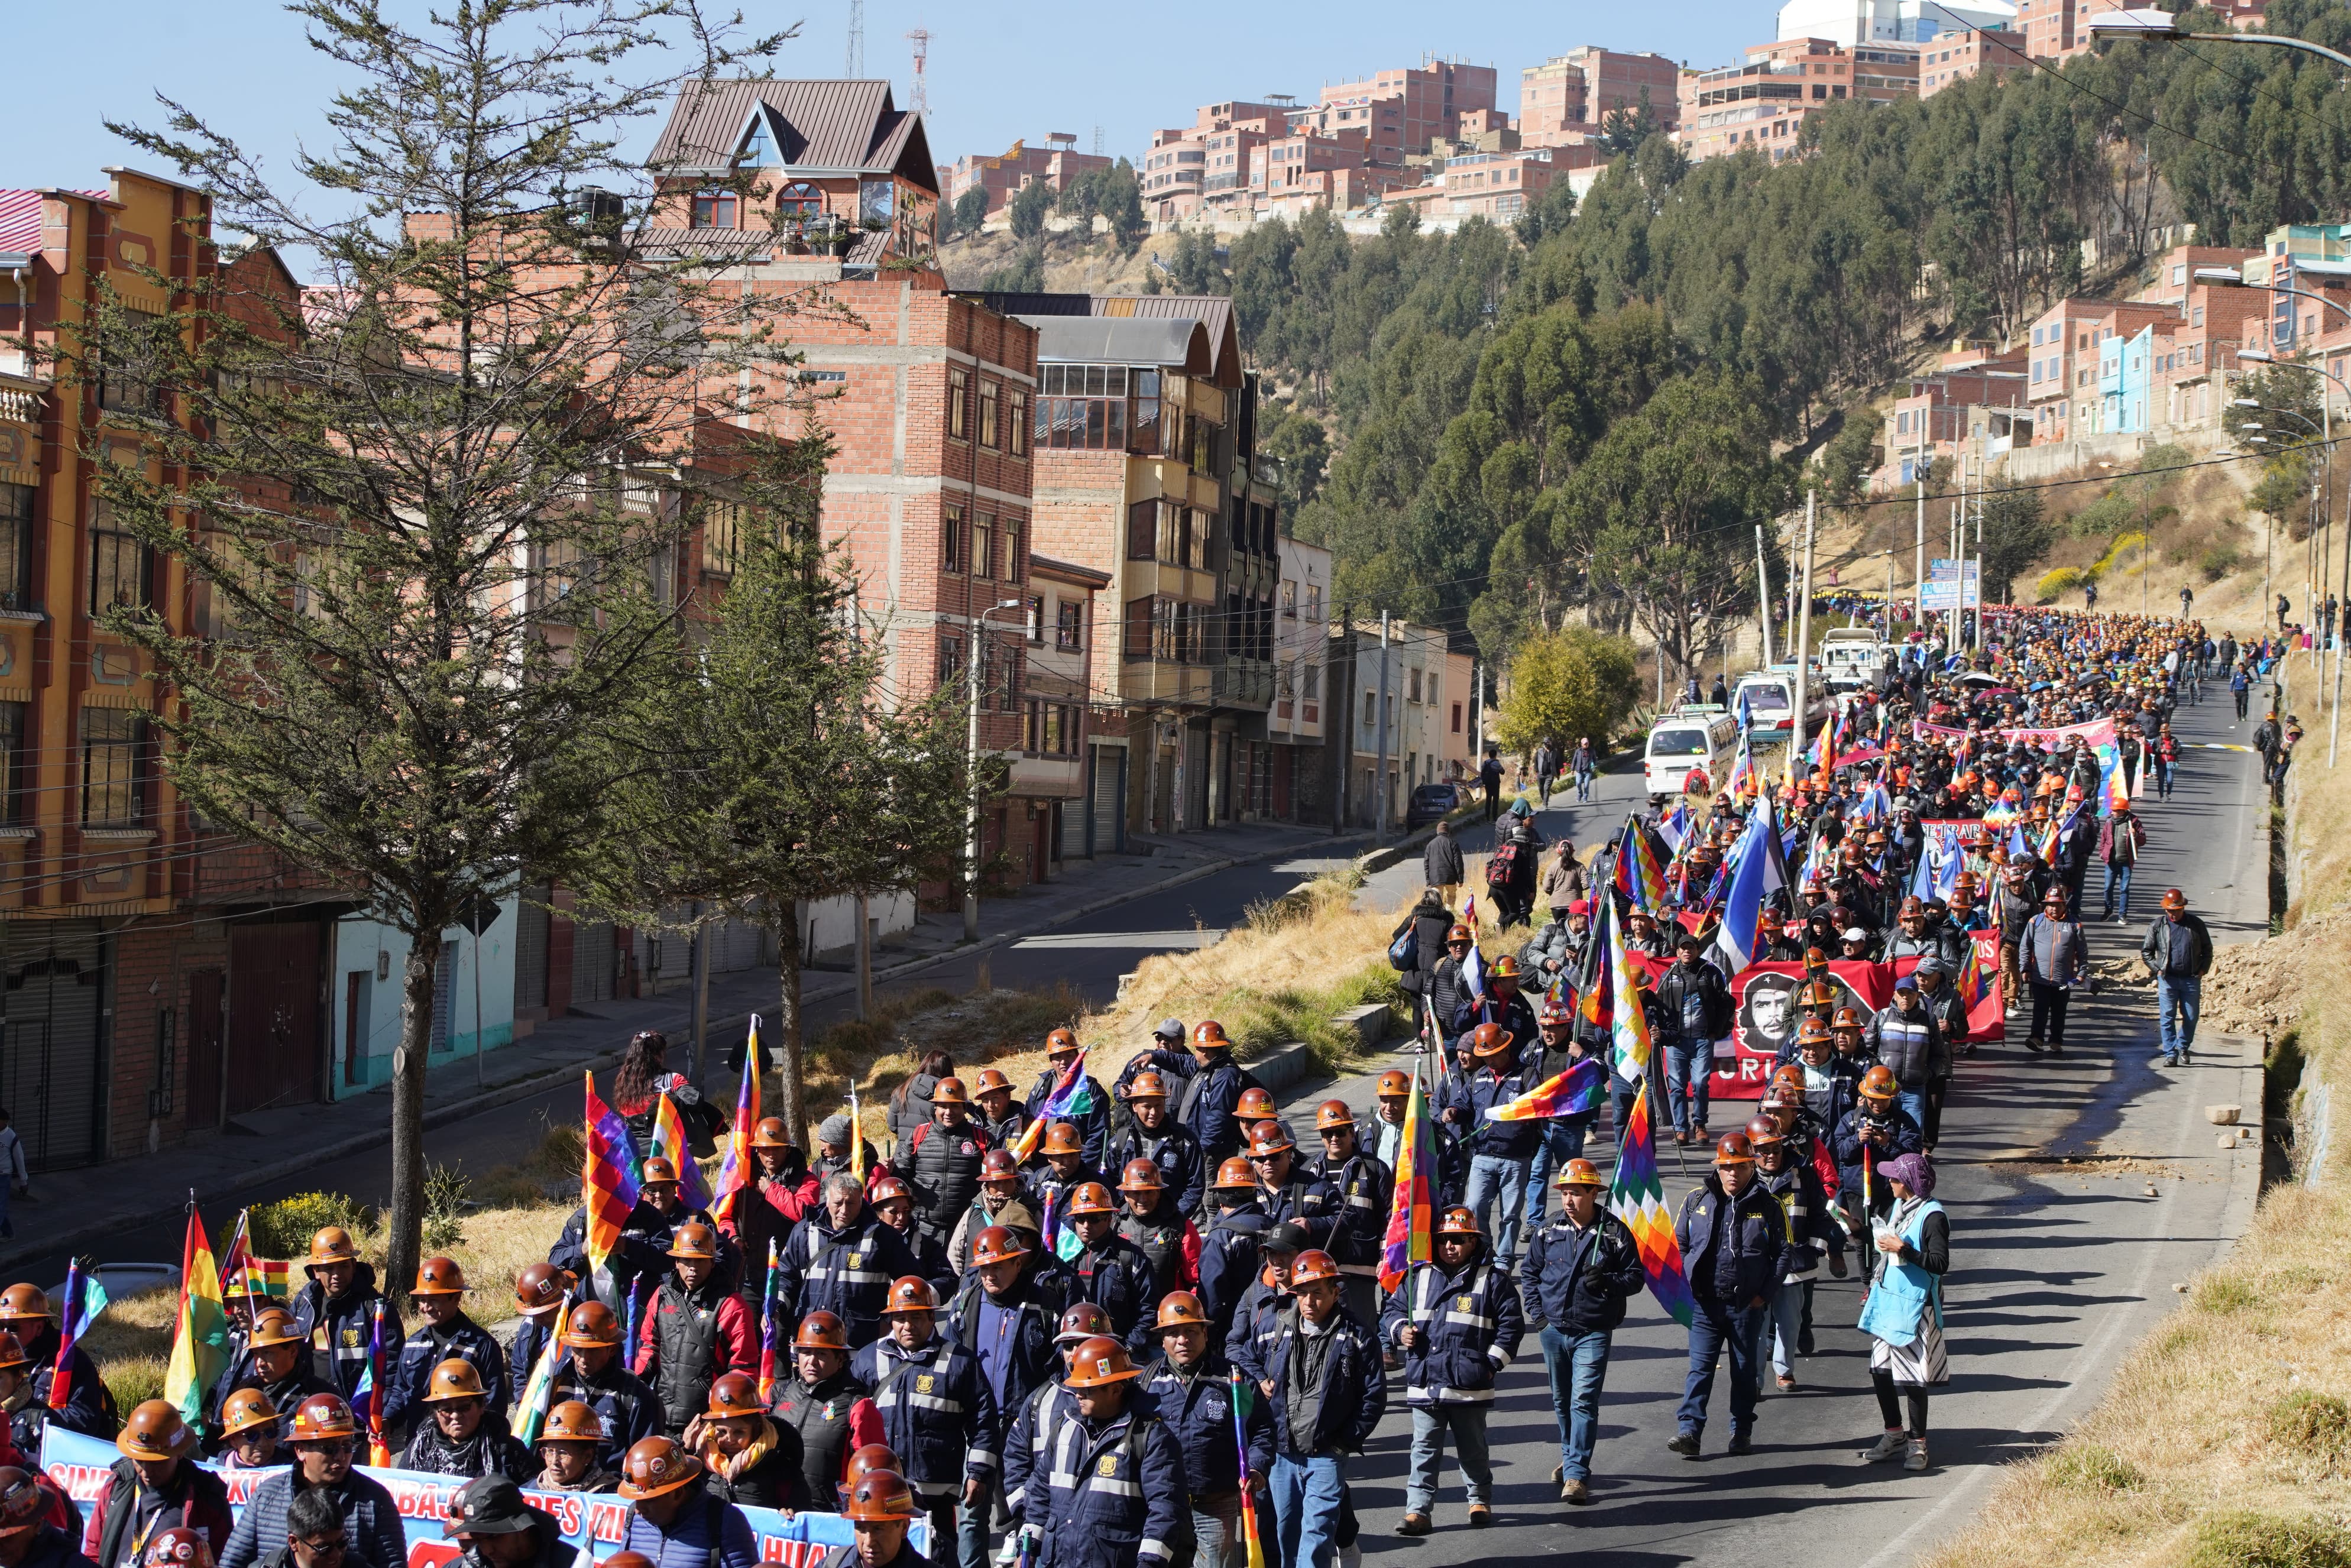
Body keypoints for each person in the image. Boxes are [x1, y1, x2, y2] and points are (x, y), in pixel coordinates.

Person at [1384, 1209, 1524, 1535]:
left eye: (1458, 1240)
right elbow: (1390, 1311)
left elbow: (1512, 1328)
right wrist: (1400, 1329)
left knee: (1472, 1448)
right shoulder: (1417, 1276)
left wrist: (1490, 1366)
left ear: (1473, 1242)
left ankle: (1479, 1500)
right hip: (1425, 1383)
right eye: (1444, 1239)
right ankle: (1418, 1511)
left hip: (1469, 1386)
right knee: (1423, 1450)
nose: (1449, 1246)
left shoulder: (1493, 1280)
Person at [1518, 1159, 1644, 1505]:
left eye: (1576, 1193)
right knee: (1561, 1401)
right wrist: (1538, 1317)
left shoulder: (1615, 1232)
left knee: (1583, 1400)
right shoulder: (1547, 1230)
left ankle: (1576, 1474)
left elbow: (1635, 1278)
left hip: (1594, 1330)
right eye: (1564, 1193)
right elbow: (1529, 1273)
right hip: (1553, 1330)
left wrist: (1607, 1280)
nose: (1569, 1201)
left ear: (1593, 1193)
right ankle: (1571, 1454)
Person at [849, 1280, 996, 1561]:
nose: (908, 1326)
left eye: (916, 1317)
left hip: (935, 1501)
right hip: (878, 1495)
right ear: (890, 1320)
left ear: (932, 1317)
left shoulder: (961, 1362)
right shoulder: (868, 1358)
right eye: (900, 1318)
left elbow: (984, 1421)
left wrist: (978, 1473)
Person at [1009, 1337, 1186, 1568]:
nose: (1078, 1394)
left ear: (1115, 1389)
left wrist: (1150, 1564)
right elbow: (1040, 1492)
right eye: (1077, 1386)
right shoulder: (1064, 1429)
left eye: (1087, 1389)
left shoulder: (1152, 1438)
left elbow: (1166, 1510)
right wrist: (1028, 1549)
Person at [1260, 1252, 1385, 1568]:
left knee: (1316, 1534)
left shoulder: (1358, 1336)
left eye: (1318, 1293)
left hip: (1328, 1454)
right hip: (1282, 1455)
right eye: (1302, 1293)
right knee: (1286, 1534)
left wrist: (1344, 1441)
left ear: (1335, 1292)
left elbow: (1374, 1396)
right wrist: (1258, 1379)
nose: (1309, 1302)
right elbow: (1242, 1356)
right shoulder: (1276, 1329)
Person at [1667, 1134, 1787, 1460]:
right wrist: (1686, 1283)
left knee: (1745, 1370)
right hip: (1705, 1305)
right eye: (1726, 1168)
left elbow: (1782, 1254)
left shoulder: (1770, 1205)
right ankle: (1689, 1430)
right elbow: (1679, 1243)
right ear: (1718, 1169)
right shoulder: (1696, 1200)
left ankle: (1741, 1430)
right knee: (1700, 1369)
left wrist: (1764, 1295)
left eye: (1739, 1167)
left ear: (1752, 1166)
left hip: (1746, 1306)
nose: (1732, 1174)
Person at [1144, 1292, 1270, 1568]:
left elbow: (1262, 1428)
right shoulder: (1146, 1383)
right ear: (1162, 1340)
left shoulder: (1235, 1380)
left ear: (1205, 1332)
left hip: (1216, 1502)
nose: (1182, 1340)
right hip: (1162, 1505)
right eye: (1173, 1333)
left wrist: (1257, 1468)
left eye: (1191, 1331)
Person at [218, 1395, 407, 1568]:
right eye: (329, 1448)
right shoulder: (266, 1496)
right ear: (300, 1450)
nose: (341, 1456)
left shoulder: (375, 1500)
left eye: (347, 1446)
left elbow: (394, 1565)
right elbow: (232, 1563)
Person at [1855, 1152, 1950, 1473]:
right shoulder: (1899, 1207)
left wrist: (1904, 1250)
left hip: (1914, 1308)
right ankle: (1894, 1434)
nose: (1890, 1182)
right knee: (1880, 1372)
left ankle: (1918, 1444)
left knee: (1912, 1380)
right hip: (1888, 1301)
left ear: (1908, 1182)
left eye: (1895, 1178)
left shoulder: (1933, 1216)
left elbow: (1940, 1264)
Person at [1748, 1116, 1845, 1393]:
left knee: (1790, 1323)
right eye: (1763, 1151)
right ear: (1752, 1152)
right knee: (1756, 1327)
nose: (1771, 1156)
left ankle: (1785, 1371)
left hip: (1794, 1266)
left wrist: (1815, 1248)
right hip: (1755, 1269)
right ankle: (1754, 1380)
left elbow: (1821, 1214)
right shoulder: (1742, 1176)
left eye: (1776, 1150)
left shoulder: (1803, 1171)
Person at [776, 1174, 922, 1352]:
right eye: (838, 1203)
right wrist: (777, 1305)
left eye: (851, 1203)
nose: (844, 1210)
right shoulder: (804, 1232)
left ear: (862, 1202)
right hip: (812, 1342)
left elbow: (911, 1283)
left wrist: (890, 1322)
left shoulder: (883, 1237)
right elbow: (786, 1276)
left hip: (862, 1346)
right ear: (827, 1201)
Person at [1437, 1023, 1540, 1272]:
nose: (1489, 1060)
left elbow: (1539, 1110)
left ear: (1506, 1050)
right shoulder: (1478, 1076)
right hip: (1482, 1155)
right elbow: (1465, 1106)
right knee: (1474, 1207)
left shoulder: (1527, 1075)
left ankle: (1504, 1262)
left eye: (1493, 1054)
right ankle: (1484, 1253)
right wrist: (1453, 1111)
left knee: (1510, 1214)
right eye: (1485, 1056)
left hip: (1516, 1157)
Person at [81, 1402, 232, 1568]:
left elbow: (224, 1559)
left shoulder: (207, 1495)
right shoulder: (116, 1486)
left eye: (157, 1463)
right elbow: (94, 1551)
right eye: (139, 1461)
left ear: (179, 1452)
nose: (146, 1471)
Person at [383, 1258, 507, 1444]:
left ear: (456, 1297)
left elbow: (494, 1405)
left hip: (466, 1450)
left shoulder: (481, 1346)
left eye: (434, 1300)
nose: (426, 1308)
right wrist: (388, 1420)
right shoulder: (413, 1344)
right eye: (422, 1300)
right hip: (419, 1446)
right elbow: (400, 1392)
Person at [1125, 1022, 1264, 1174]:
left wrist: (1202, 1150)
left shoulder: (1225, 1076)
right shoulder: (1206, 1066)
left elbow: (1219, 1117)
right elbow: (1180, 1061)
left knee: (1208, 1196)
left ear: (1205, 1050)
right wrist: (1153, 1056)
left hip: (1211, 1154)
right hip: (1200, 1149)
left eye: (1197, 1048)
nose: (1195, 1052)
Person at [287, 1230, 401, 1406]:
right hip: (311, 1413)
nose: (337, 1274)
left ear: (354, 1266)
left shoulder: (376, 1309)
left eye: (343, 1266)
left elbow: (392, 1366)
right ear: (316, 1271)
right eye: (329, 1268)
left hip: (360, 1417)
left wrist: (381, 1414)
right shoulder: (303, 1305)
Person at [546, 1303, 663, 1470]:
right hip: (563, 1487)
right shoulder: (556, 1387)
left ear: (612, 1350)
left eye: (593, 1351)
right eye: (578, 1350)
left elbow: (646, 1455)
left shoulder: (634, 1394)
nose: (584, 1359)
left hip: (612, 1490)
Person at [613, 1436, 759, 1568]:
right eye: (637, 1499)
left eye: (649, 1500)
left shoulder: (726, 1521)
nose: (639, 1509)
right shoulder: (635, 1517)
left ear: (677, 1493)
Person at [1055, 1183, 1160, 1354]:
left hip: (1120, 1353)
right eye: (1080, 1219)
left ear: (1109, 1219)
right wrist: (1065, 1352)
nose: (1086, 1225)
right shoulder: (1065, 1256)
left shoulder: (1131, 1257)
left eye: (1094, 1218)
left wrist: (1128, 1349)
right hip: (1074, 1354)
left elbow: (1148, 1310)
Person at [681, 1374, 808, 1512]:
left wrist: (790, 1514)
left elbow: (801, 1512)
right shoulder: (697, 1464)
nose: (729, 1440)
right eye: (722, 1432)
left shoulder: (782, 1468)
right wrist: (685, 1452)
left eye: (739, 1432)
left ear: (757, 1429)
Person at [0, 1285, 111, 1439]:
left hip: (60, 1453)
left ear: (39, 1327)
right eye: (1, 1327)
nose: (5, 1334)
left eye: (13, 1327)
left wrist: (33, 1419)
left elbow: (84, 1419)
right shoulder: (6, 1359)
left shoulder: (71, 1361)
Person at [1652, 935, 1733, 1146]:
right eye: (1683, 948)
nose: (1687, 951)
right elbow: (1657, 1006)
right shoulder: (1668, 974)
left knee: (1700, 1083)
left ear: (1698, 950)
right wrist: (1662, 1032)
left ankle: (1700, 1125)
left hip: (1702, 1040)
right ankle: (1680, 1129)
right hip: (1676, 1041)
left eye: (1691, 948)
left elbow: (1726, 1003)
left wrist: (1715, 1032)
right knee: (1677, 1086)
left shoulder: (1711, 972)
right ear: (1677, 951)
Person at [396, 1361, 532, 1481]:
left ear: (481, 1406)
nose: (455, 1415)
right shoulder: (419, 1448)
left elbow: (534, 1494)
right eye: (447, 1410)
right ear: (436, 1413)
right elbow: (398, 1489)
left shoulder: (507, 1450)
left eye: (464, 1407)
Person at [219, 1309, 335, 1444]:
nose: (260, 1363)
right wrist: (208, 1430)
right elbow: (226, 1445)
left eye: (267, 1353)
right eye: (256, 1354)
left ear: (292, 1351)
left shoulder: (319, 1397)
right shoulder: (244, 1391)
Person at [1105, 1074, 1205, 1221]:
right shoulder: (1119, 1142)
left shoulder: (1185, 1140)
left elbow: (1195, 1186)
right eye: (1147, 1106)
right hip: (1130, 1226)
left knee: (1160, 1243)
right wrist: (1124, 1217)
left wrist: (1176, 1216)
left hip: (1169, 1228)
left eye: (1158, 1105)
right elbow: (1111, 1185)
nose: (1154, 1112)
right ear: (1134, 1106)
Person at [2143, 887, 2214, 1067]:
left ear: (2183, 907)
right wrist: (2157, 969)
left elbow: (2207, 949)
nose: (2173, 914)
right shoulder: (2158, 926)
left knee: (2191, 1016)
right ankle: (2170, 1053)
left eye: (2177, 910)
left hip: (2191, 979)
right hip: (2167, 979)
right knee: (2167, 1017)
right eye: (2170, 911)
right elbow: (2147, 952)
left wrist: (2202, 970)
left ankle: (2182, 1046)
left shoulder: (2196, 924)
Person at [441, 1475, 577, 1568]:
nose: (488, 1550)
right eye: (478, 1539)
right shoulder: (463, 1566)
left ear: (524, 1528)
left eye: (494, 1537)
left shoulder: (573, 1564)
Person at [1024, 1031, 1112, 1171]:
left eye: (1069, 1055)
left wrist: (1081, 1170)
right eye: (1058, 1057)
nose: (1064, 1062)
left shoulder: (1090, 1090)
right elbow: (1029, 1124)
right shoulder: (1041, 1088)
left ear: (1078, 1057)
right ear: (1051, 1061)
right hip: (1044, 1168)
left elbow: (1098, 1136)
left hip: (1078, 1166)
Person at [1865, 975, 1939, 1132]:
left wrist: (1928, 1074)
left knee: (1913, 1132)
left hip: (1915, 1089)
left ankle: (1910, 1157)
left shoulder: (1929, 1020)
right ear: (1894, 995)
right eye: (1902, 993)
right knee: (1885, 1131)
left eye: (1911, 993)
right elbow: (1867, 1051)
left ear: (1918, 996)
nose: (1906, 997)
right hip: (1884, 1090)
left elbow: (1939, 1055)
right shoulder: (1881, 1017)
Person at [2022, 887, 2087, 1056]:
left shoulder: (2075, 925)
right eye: (2051, 905)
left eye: (2057, 905)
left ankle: (2056, 1041)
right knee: (2040, 1010)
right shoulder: (2035, 921)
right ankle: (2036, 1038)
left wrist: (2081, 973)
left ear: (2064, 905)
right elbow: (2025, 947)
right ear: (2046, 905)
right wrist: (2025, 968)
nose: (2054, 909)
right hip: (2040, 977)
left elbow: (2082, 952)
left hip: (2064, 980)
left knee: (2059, 1012)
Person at [823, 1467, 927, 1568]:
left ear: (904, 1527)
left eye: (878, 1529)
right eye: (860, 1528)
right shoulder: (833, 1563)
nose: (869, 1542)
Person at [503, 1266, 575, 1406]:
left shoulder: (582, 1324)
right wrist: (523, 1406)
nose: (539, 1318)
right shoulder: (529, 1325)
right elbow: (519, 1369)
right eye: (535, 1313)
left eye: (545, 1312)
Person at [532, 1403, 620, 1494]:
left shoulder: (613, 1496)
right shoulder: (530, 1493)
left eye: (563, 1453)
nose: (554, 1462)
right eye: (550, 1452)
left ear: (587, 1456)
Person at [2097, 802, 2146, 925]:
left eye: (2115, 810)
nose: (2112, 812)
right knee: (2108, 888)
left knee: (2124, 889)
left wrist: (2135, 835)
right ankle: (2108, 910)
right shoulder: (2109, 822)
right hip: (2111, 862)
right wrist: (2102, 853)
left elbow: (2143, 840)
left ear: (2122, 811)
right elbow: (2103, 839)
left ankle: (2122, 915)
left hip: (2126, 863)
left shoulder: (2134, 822)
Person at [214, 1390, 287, 1472]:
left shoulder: (292, 1473)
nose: (262, 1443)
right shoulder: (216, 1475)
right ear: (233, 1440)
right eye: (252, 1436)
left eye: (270, 1433)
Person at [1423, 822, 1464, 909]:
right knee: (1451, 897)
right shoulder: (1453, 843)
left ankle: (1439, 919)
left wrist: (1428, 880)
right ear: (1448, 832)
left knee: (1437, 901)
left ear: (1437, 832)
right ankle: (1449, 916)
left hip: (1435, 877)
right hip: (1451, 877)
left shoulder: (1430, 844)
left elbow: (1426, 863)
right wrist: (1460, 879)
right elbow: (1458, 862)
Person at [1571, 737, 1597, 804]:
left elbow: (1595, 758)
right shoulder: (1578, 751)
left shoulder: (1591, 750)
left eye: (1587, 743)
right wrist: (1572, 769)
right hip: (1579, 771)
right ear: (1582, 744)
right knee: (1578, 783)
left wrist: (1594, 765)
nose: (1586, 745)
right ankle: (1580, 794)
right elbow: (1574, 760)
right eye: (1585, 744)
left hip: (1588, 771)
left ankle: (1585, 797)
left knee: (1586, 785)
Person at [1478, 750, 1502, 822]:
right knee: (1495, 801)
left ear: (1489, 755)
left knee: (1488, 799)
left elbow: (1482, 772)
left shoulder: (1485, 763)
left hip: (1488, 784)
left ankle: (1487, 818)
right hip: (1495, 784)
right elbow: (1503, 772)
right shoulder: (1497, 763)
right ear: (1495, 755)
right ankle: (1494, 817)